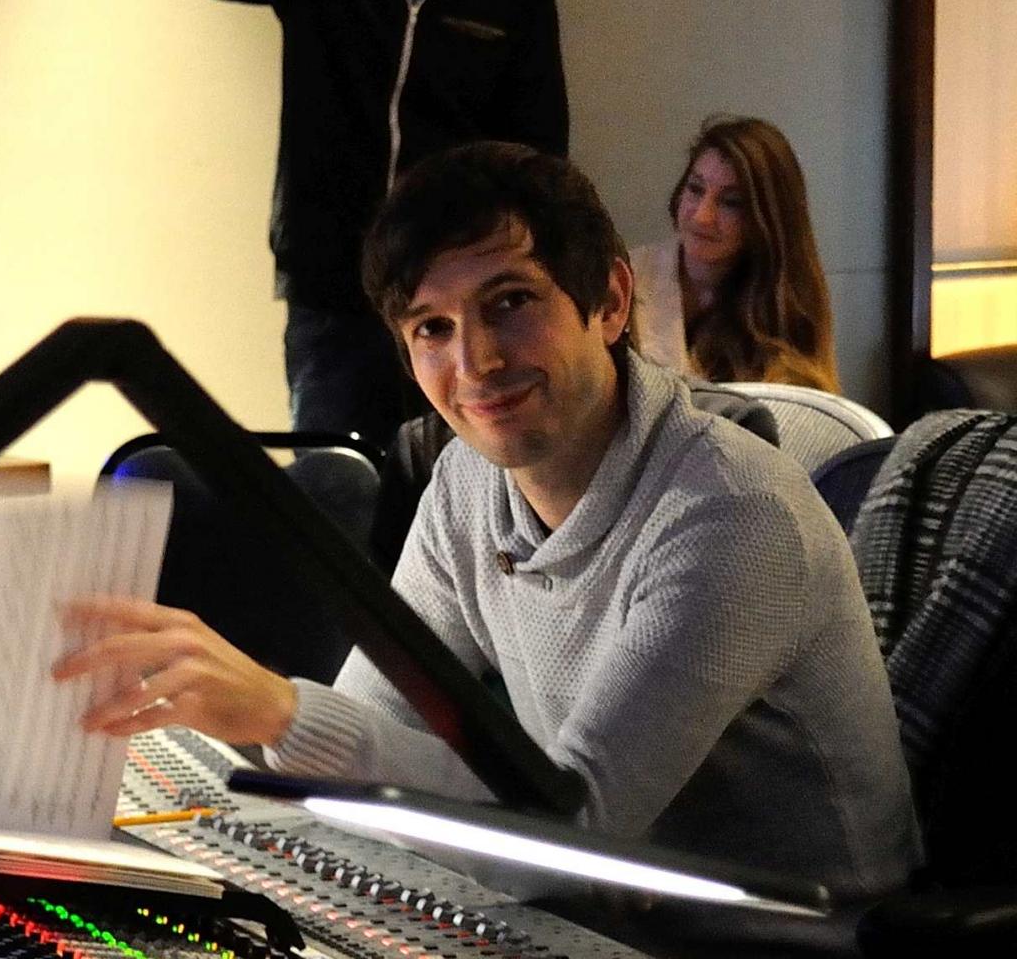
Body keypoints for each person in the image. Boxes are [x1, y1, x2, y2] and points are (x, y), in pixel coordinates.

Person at [53, 142, 919, 903]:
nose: (476, 362)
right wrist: (270, 725)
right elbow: (376, 719)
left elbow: (572, 835)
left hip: (787, 940)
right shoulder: (468, 483)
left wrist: (281, 714)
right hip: (604, 917)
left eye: (510, 302)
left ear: (611, 302)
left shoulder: (733, 514)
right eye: (432, 327)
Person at [218, 0, 569, 448]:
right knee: (339, 470)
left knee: (458, 462)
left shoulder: (519, 7)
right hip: (331, 290)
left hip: (455, 298)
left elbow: (537, 159)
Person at [630, 116, 841, 392]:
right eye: (695, 189)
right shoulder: (623, 279)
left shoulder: (785, 307)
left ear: (769, 219)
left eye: (731, 202)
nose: (702, 216)